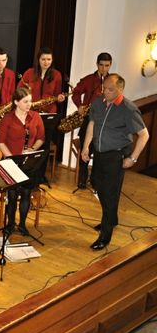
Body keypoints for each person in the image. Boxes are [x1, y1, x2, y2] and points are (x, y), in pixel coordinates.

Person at [81, 74, 149, 250]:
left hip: (116, 155)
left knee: (110, 193)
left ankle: (105, 235)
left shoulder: (128, 109)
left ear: (120, 89)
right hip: (100, 153)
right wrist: (86, 147)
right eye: (104, 88)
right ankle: (112, 218)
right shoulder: (98, 103)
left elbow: (144, 135)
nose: (106, 92)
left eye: (110, 90)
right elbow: (92, 125)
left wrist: (133, 158)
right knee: (96, 183)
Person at [0, 87, 45, 236]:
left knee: (26, 193)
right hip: (11, 161)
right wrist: (12, 158)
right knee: (12, 195)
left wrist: (32, 149)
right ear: (16, 102)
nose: (29, 104)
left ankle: (22, 225)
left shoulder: (35, 117)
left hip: (28, 163)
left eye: (30, 101)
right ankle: (10, 224)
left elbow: (41, 138)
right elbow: (1, 142)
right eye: (25, 101)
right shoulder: (7, 119)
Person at [18, 47, 66, 184]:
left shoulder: (56, 75)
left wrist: (60, 98)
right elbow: (19, 91)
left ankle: (40, 176)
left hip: (48, 114)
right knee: (29, 144)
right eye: (43, 59)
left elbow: (57, 94)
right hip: (31, 114)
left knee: (44, 145)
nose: (46, 62)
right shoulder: (29, 73)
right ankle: (27, 174)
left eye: (49, 59)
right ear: (38, 60)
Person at [71, 52, 112, 189]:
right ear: (97, 64)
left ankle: (95, 180)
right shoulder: (89, 79)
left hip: (104, 121)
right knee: (85, 148)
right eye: (101, 65)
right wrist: (80, 105)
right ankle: (82, 179)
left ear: (110, 65)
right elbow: (76, 92)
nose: (104, 68)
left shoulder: (112, 81)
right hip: (89, 118)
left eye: (107, 65)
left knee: (99, 152)